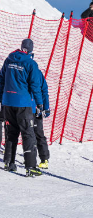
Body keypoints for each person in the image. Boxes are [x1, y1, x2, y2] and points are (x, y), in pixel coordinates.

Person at [1, 39, 48, 176]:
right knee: (28, 134)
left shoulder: (9, 59)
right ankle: (30, 167)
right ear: (31, 50)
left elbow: (1, 79)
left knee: (11, 133)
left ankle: (8, 162)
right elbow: (35, 86)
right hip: (23, 103)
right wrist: (40, 104)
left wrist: (1, 98)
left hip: (7, 102)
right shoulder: (31, 63)